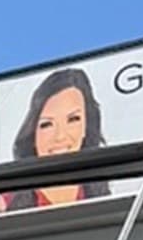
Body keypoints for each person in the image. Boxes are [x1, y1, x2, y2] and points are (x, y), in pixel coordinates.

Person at [6, 63, 105, 205]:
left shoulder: (102, 197)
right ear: (33, 133)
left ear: (86, 127)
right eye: (47, 124)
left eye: (73, 119)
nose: (60, 136)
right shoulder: (3, 204)